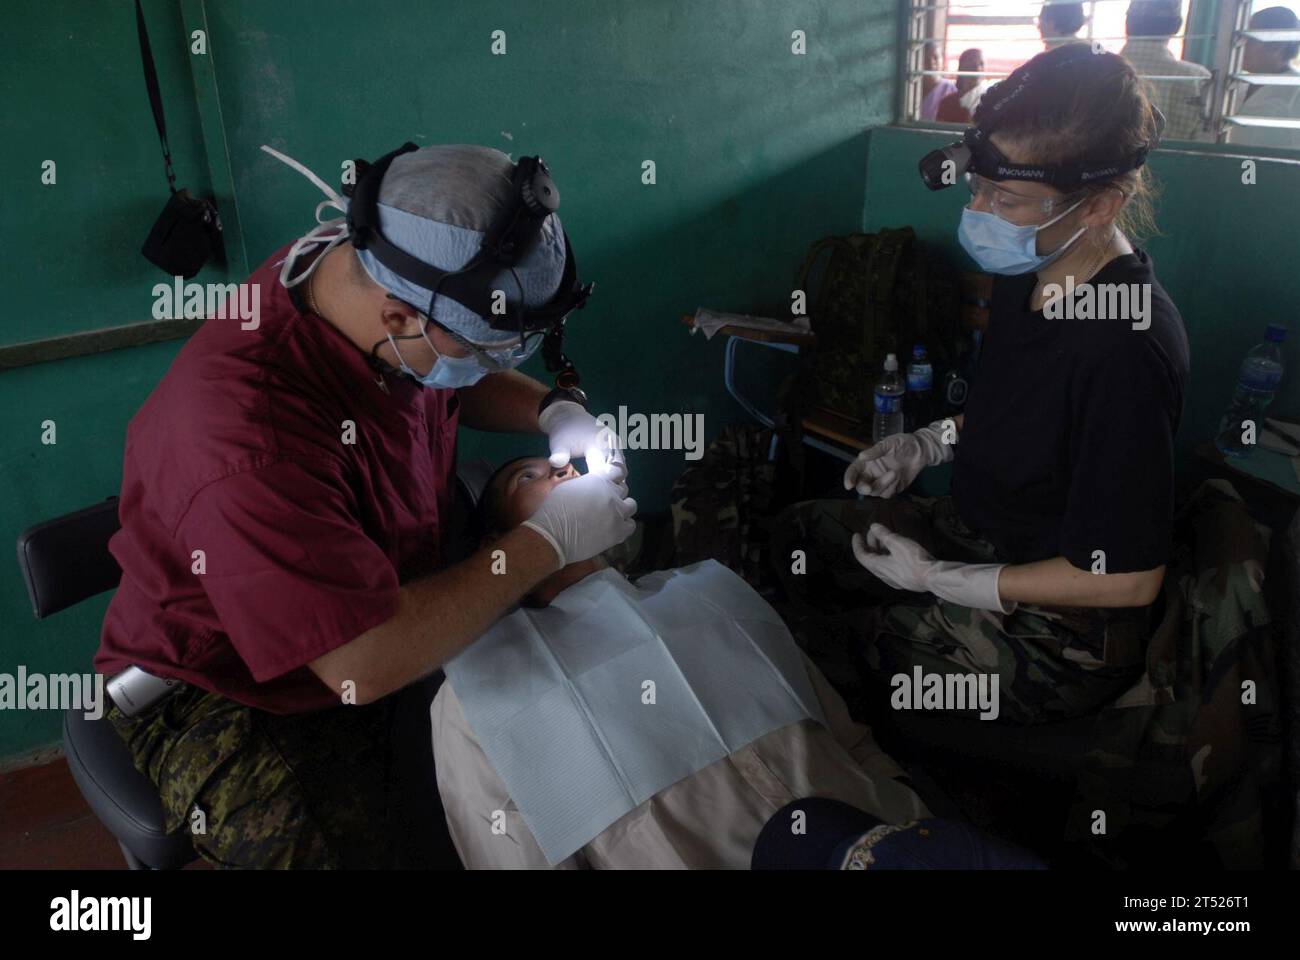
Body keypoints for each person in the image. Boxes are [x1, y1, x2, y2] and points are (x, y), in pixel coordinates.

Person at [96, 144, 637, 868]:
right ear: (398, 314)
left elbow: (449, 372)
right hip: (232, 690)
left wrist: (551, 410)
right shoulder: (244, 441)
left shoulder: (357, 276)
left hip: (383, 591)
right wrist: (545, 541)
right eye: (489, 346)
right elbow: (365, 665)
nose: (498, 361)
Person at [772, 43, 1190, 727]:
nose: (981, 211)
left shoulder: (1127, 348)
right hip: (980, 531)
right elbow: (1017, 409)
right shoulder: (1032, 266)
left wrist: (941, 581)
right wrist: (928, 445)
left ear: (1099, 205)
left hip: (1063, 621)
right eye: (977, 188)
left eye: (1007, 198)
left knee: (835, 655)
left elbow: (1131, 578)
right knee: (795, 540)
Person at [430, 456, 929, 869]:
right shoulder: (479, 696)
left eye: (562, 462)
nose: (562, 467)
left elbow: (847, 736)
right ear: (498, 547)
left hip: (894, 839)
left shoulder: (711, 591)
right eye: (531, 476)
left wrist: (910, 810)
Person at [1120, 0, 1211, 140]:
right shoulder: (1198, 79)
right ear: (1176, 26)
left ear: (1127, 22)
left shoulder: (1095, 72)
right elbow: (1206, 145)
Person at [1230, 6, 1300, 149]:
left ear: (1276, 43)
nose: (1240, 46)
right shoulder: (1236, 85)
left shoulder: (1295, 91)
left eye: (1249, 39)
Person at [936, 49, 987, 123]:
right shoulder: (948, 103)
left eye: (981, 64)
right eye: (971, 65)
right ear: (961, 68)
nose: (977, 69)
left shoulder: (990, 101)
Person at [921, 42, 958, 121]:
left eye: (936, 57)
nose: (931, 63)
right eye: (926, 59)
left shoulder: (949, 88)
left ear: (942, 61)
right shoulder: (912, 87)